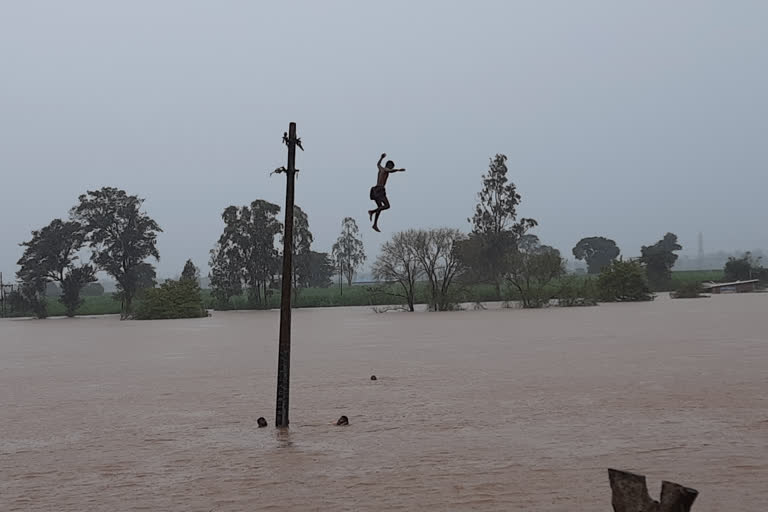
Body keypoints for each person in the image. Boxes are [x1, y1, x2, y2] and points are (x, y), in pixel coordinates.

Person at [368, 153, 405, 232]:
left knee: (380, 207)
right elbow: (390, 171)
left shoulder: (380, 168)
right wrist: (398, 170)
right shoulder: (385, 169)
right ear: (390, 166)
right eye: (392, 167)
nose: (392, 168)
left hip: (375, 190)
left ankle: (375, 224)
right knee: (387, 206)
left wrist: (381, 158)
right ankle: (372, 211)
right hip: (380, 190)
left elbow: (378, 164)